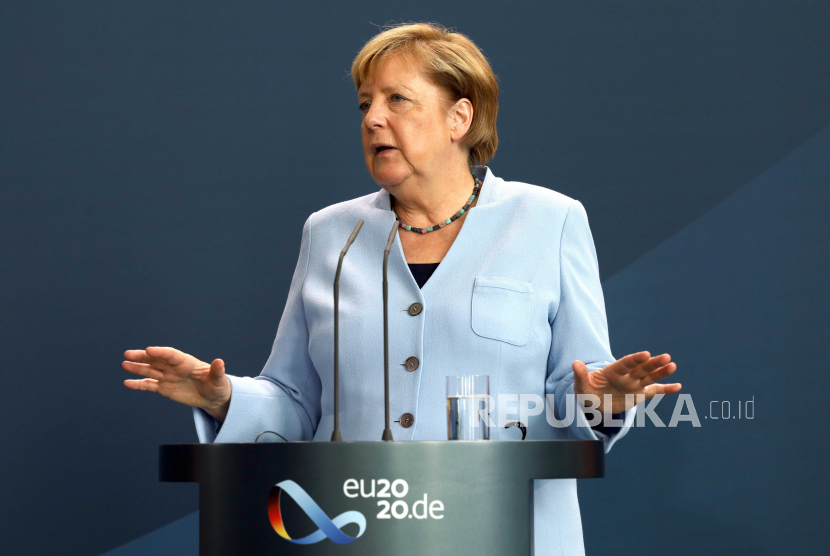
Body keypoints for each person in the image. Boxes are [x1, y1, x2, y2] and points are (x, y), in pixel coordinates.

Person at [122, 22, 681, 555]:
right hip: (356, 537)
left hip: (512, 535)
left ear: (459, 117)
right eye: (365, 103)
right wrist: (223, 398)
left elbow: (574, 390)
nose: (373, 119)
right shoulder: (329, 233)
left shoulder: (549, 221)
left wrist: (598, 403)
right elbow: (296, 401)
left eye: (397, 100)